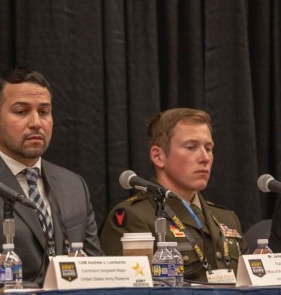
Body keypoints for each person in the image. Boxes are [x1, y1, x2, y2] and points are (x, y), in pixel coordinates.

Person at [0, 67, 103, 286]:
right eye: (21, 111)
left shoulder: (74, 185)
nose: (36, 122)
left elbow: (96, 266)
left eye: (44, 112)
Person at [100, 108, 248, 282]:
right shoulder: (134, 216)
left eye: (208, 148)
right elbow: (130, 294)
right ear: (158, 156)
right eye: (191, 147)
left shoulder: (227, 219)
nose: (205, 157)